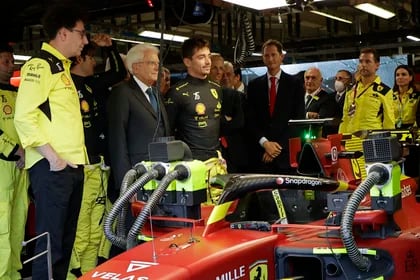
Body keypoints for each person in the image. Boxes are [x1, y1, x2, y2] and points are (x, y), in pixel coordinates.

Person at [14, 3, 89, 279]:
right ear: (63, 33)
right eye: (81, 33)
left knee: (64, 246)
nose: (85, 40)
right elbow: (23, 116)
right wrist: (53, 157)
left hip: (71, 167)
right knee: (50, 246)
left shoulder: (63, 68)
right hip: (53, 169)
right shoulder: (40, 65)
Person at [68, 33, 127, 279]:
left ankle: (90, 272)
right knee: (80, 229)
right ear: (80, 58)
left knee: (97, 226)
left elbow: (118, 74)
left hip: (99, 165)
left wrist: (112, 48)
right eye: (92, 58)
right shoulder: (65, 84)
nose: (95, 63)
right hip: (78, 166)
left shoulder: (95, 83)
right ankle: (73, 274)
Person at [107, 43, 170, 202]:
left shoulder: (154, 92)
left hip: (160, 174)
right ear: (135, 67)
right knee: (135, 225)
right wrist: (126, 183)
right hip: (137, 175)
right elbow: (117, 138)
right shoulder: (122, 92)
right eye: (151, 63)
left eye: (158, 63)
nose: (157, 68)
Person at [246, 39, 305, 174]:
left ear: (281, 56)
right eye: (267, 55)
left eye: (273, 55)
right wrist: (265, 143)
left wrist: (275, 149)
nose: (270, 59)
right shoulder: (254, 86)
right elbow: (250, 119)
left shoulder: (294, 84)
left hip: (286, 156)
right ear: (263, 58)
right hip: (261, 156)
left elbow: (297, 120)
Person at [165, 37, 222, 161]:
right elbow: (167, 133)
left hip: (216, 160)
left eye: (209, 56)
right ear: (187, 62)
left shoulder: (217, 88)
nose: (208, 62)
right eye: (201, 57)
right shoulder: (176, 92)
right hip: (190, 162)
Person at [0, 43, 29, 280]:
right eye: (5, 61)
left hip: (21, 168)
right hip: (2, 169)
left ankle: (14, 275)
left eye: (12, 61)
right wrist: (15, 150)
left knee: (18, 224)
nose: (12, 67)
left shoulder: (18, 94)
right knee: (2, 228)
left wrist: (26, 151)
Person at [339, 48, 395, 134]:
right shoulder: (351, 90)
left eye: (368, 61)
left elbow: (389, 121)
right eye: (361, 61)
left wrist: (390, 142)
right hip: (351, 141)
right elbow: (345, 118)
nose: (363, 65)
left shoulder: (385, 91)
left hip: (372, 140)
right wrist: (340, 140)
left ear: (377, 65)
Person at [209, 56, 247, 173]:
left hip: (236, 156)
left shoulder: (238, 97)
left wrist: (218, 120)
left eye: (228, 74)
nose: (223, 76)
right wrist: (225, 119)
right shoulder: (205, 95)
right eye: (215, 69)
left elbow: (239, 123)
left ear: (236, 76)